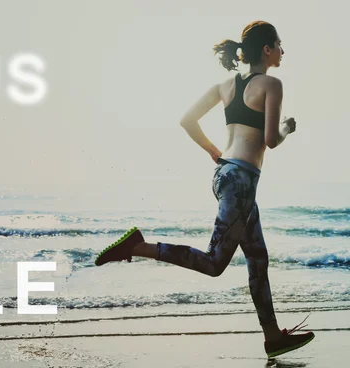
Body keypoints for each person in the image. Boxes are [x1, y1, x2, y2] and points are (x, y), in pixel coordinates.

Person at [94, 20, 315, 358]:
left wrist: (215, 152)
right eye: (280, 44)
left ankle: (273, 337)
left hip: (227, 175)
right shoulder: (272, 84)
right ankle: (138, 247)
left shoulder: (224, 86)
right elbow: (270, 140)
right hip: (241, 181)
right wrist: (286, 127)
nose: (284, 51)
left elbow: (187, 120)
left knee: (257, 257)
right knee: (214, 263)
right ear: (267, 49)